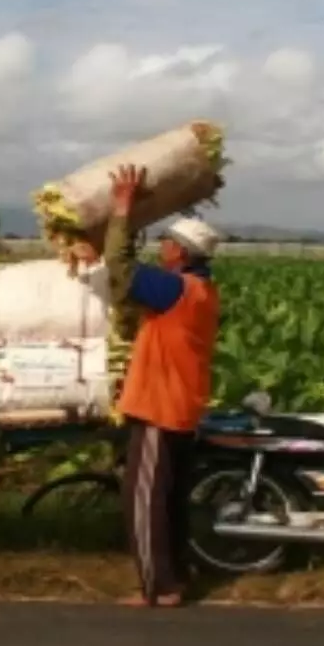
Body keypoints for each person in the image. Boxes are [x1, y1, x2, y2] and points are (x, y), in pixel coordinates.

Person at [73, 163, 223, 608]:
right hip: (181, 405)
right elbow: (124, 283)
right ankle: (176, 579)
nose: (163, 247)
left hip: (159, 406)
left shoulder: (174, 289)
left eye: (168, 242)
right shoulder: (200, 291)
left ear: (183, 253)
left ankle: (157, 587)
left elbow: (121, 266)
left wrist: (122, 209)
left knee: (144, 498)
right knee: (170, 497)